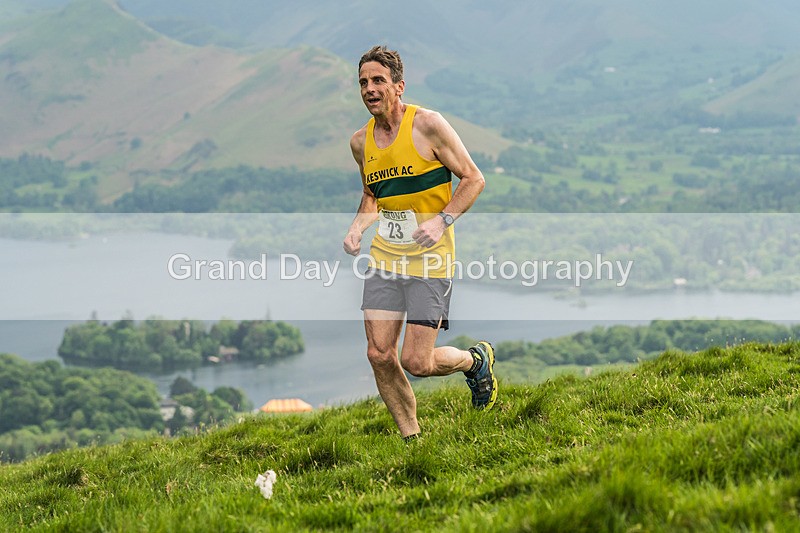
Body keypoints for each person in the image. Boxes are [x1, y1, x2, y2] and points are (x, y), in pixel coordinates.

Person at [342, 45, 497, 440]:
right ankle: (412, 439)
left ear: (399, 86)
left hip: (430, 260)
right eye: (363, 82)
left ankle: (473, 361)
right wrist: (358, 228)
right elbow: (373, 194)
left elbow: (473, 178)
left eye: (378, 80)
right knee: (379, 354)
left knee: (416, 361)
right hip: (385, 259)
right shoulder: (361, 143)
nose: (369, 89)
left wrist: (442, 222)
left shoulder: (428, 125)